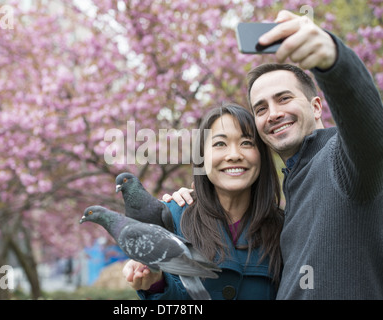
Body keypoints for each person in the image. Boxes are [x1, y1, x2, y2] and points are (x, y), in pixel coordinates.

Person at [165, 10, 383, 299]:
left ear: (316, 106)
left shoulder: (342, 160)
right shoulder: (292, 189)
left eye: (284, 98)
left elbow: (368, 129)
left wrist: (332, 60)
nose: (274, 114)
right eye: (261, 108)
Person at [123, 104, 284, 300]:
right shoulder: (172, 217)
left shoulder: (284, 228)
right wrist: (156, 284)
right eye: (219, 144)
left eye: (247, 143)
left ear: (261, 156)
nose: (234, 155)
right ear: (202, 158)